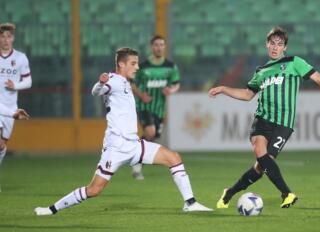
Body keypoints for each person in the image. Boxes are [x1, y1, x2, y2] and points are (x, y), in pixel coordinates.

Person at [34, 47, 212, 216]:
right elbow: (96, 91)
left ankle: (190, 203)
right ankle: (51, 209)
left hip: (134, 144)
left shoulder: (126, 82)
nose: (137, 67)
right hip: (116, 147)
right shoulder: (113, 79)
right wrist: (100, 83)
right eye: (133, 63)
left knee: (174, 158)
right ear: (121, 64)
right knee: (94, 190)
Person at [209, 26, 320, 209]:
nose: (275, 47)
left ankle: (229, 192)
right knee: (259, 149)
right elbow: (247, 94)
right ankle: (287, 193)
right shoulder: (261, 71)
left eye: (280, 44)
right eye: (272, 43)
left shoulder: (294, 62)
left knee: (260, 168)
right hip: (263, 119)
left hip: (284, 124)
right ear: (267, 45)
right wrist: (223, 89)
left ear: (285, 47)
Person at [130, 35, 180, 180]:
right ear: (152, 47)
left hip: (159, 108)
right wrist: (141, 95)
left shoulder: (170, 66)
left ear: (164, 47)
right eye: (156, 45)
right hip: (144, 105)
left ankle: (136, 157)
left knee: (153, 137)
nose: (159, 47)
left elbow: (176, 84)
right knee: (150, 132)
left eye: (161, 45)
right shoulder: (143, 66)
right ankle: (136, 163)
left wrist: (171, 90)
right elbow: (132, 83)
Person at [0, 23, 32, 168]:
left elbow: (28, 81)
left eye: (9, 36)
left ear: (13, 38)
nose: (5, 39)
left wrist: (15, 86)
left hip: (11, 107)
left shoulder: (20, 58)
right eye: (2, 36)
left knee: (1, 147)